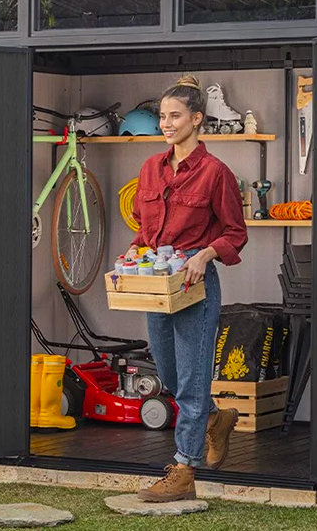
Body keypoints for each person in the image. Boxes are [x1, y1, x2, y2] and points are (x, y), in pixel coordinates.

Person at [129, 75, 248, 502]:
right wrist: (132, 257)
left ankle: (183, 469)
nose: (165, 123)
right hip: (158, 285)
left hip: (195, 287)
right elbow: (145, 232)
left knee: (193, 381)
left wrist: (204, 254)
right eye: (162, 116)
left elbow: (236, 233)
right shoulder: (150, 169)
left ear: (197, 120)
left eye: (174, 116)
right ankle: (216, 420)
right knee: (172, 374)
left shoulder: (216, 173)